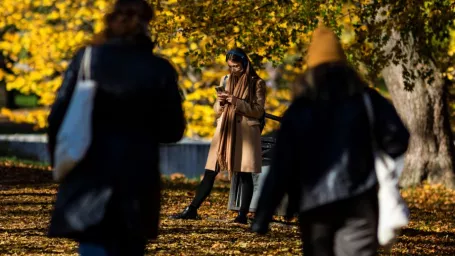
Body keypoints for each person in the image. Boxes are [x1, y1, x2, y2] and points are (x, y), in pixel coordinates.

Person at [251, 25, 410, 256]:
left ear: (310, 70)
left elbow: (282, 166)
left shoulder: (299, 110)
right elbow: (398, 140)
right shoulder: (367, 100)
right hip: (360, 199)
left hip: (313, 204)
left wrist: (263, 214)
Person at [46, 0, 185, 255]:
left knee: (93, 245)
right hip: (137, 181)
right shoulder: (159, 69)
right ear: (146, 25)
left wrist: (61, 160)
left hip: (89, 175)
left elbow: (58, 116)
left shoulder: (87, 59)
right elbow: (173, 130)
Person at [170, 48, 266, 224]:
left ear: (245, 63)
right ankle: (192, 209)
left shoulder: (257, 83)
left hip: (244, 132)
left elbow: (259, 111)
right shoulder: (225, 79)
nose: (233, 70)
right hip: (224, 132)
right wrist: (220, 103)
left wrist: (236, 101)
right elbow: (216, 111)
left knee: (244, 174)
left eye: (236, 66)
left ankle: (242, 216)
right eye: (230, 66)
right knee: (210, 171)